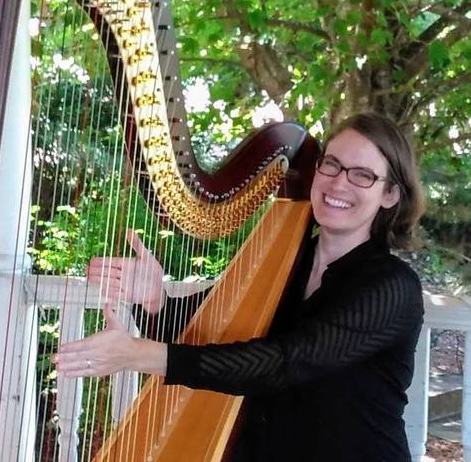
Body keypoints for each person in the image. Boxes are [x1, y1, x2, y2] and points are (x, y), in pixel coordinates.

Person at [53, 112, 426, 461]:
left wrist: (137, 354)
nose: (339, 182)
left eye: (362, 175)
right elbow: (204, 339)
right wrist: (154, 300)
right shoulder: (287, 262)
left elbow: (283, 362)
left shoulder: (392, 287)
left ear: (390, 194)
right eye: (331, 164)